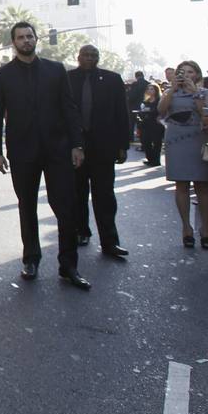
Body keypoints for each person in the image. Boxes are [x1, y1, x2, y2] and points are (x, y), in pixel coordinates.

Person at [0, 22, 89, 288]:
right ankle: (30, 259)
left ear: (36, 39)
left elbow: (69, 109)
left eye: (29, 36)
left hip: (58, 150)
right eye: (20, 37)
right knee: (27, 206)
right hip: (22, 152)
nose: (25, 40)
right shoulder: (2, 76)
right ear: (14, 43)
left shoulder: (55, 70)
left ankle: (69, 266)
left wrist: (77, 144)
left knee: (66, 208)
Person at [67, 45, 131, 258]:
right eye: (86, 55)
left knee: (104, 195)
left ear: (98, 58)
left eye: (94, 55)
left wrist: (123, 145)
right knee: (77, 193)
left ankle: (110, 241)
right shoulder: (67, 79)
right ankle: (81, 231)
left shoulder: (112, 79)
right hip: (75, 147)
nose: (89, 58)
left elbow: (122, 113)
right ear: (78, 57)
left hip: (104, 148)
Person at [158, 60, 208, 248]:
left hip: (199, 140)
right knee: (180, 185)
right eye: (181, 72)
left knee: (203, 187)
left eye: (190, 72)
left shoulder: (206, 93)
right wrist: (172, 90)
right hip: (176, 141)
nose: (186, 75)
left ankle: (205, 229)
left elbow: (206, 113)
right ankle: (186, 228)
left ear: (197, 75)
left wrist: (194, 93)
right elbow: (160, 110)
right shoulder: (169, 91)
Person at [138, 83, 165, 166]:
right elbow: (141, 111)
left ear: (156, 90)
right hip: (146, 123)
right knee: (146, 142)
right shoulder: (145, 101)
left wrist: (149, 111)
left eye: (152, 89)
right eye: (148, 89)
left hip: (156, 124)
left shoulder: (159, 100)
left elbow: (159, 110)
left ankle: (156, 160)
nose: (150, 91)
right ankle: (150, 158)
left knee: (156, 142)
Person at [126, 71, 149, 144]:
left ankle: (131, 138)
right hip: (146, 106)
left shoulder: (135, 84)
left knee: (132, 123)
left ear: (136, 76)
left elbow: (132, 95)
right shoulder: (148, 84)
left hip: (134, 106)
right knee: (144, 123)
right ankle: (144, 137)